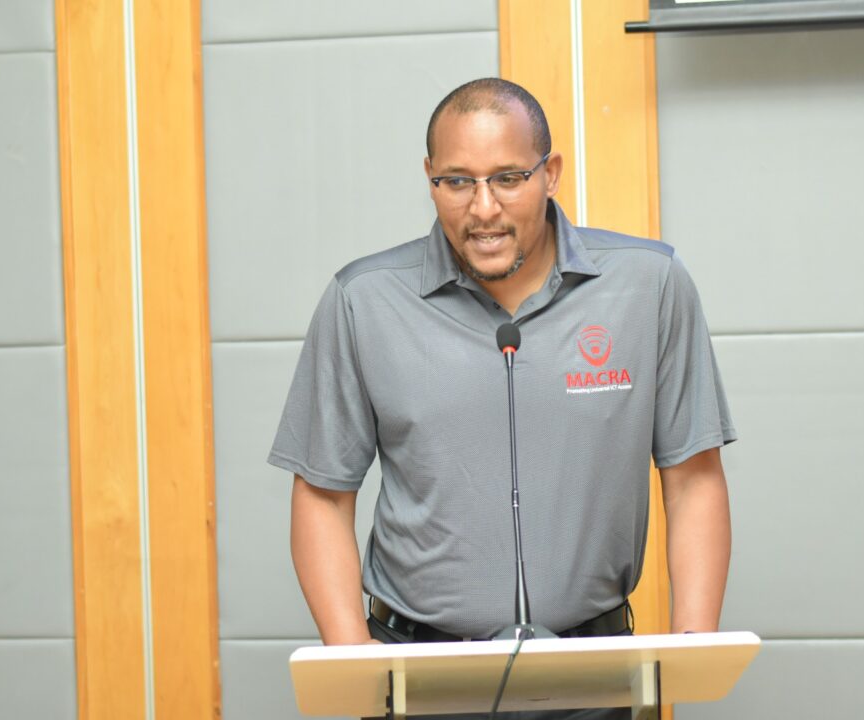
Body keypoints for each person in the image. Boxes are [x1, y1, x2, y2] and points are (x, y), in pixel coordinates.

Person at [269, 78, 735, 719]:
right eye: (457, 182)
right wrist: (353, 661)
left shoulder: (649, 286)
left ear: (551, 174)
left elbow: (693, 478)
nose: (483, 208)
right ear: (429, 177)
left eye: (508, 179)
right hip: (417, 677)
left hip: (594, 679)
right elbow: (322, 493)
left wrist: (691, 650)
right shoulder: (363, 301)